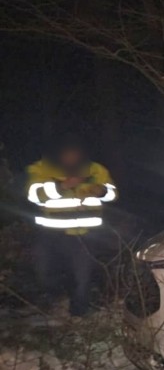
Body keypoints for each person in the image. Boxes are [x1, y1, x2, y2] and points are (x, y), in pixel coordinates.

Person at [25, 135, 117, 317]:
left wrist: (102, 191)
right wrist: (61, 186)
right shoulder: (41, 169)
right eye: (67, 153)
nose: (71, 156)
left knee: (82, 277)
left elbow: (112, 194)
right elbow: (33, 194)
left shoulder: (96, 169)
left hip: (86, 235)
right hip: (52, 234)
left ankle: (78, 315)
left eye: (75, 152)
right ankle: (53, 307)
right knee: (46, 273)